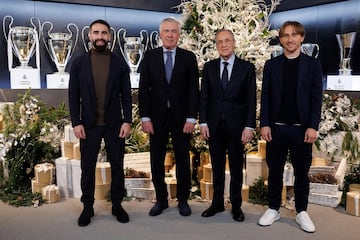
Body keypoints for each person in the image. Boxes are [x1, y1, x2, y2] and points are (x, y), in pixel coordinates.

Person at [258, 21, 323, 233]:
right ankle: (273, 208)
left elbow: (316, 98)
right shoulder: (271, 65)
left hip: (301, 129)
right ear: (281, 40)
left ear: (302, 38)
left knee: (301, 172)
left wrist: (313, 126)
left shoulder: (312, 65)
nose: (290, 39)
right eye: (285, 35)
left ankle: (301, 211)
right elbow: (265, 97)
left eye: (294, 35)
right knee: (274, 171)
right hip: (276, 128)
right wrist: (265, 123)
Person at [68, 19, 132, 226]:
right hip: (88, 125)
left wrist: (127, 121)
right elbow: (73, 94)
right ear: (89, 36)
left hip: (114, 125)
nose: (100, 37)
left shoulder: (119, 63)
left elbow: (126, 95)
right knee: (87, 167)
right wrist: (76, 122)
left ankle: (117, 204)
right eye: (96, 33)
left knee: (117, 166)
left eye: (104, 33)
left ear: (110, 36)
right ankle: (88, 207)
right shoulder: (78, 63)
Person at [138, 17, 199, 217]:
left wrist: (191, 118)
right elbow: (144, 90)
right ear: (160, 34)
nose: (171, 34)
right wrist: (145, 117)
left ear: (179, 34)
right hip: (156, 119)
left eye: (174, 31)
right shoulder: (149, 56)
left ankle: (183, 200)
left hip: (182, 120)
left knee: (183, 160)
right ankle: (161, 200)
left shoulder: (189, 57)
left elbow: (193, 90)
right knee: (156, 161)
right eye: (167, 31)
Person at [199, 29, 256, 222]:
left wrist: (249, 126)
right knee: (216, 167)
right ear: (216, 45)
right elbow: (204, 97)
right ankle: (217, 203)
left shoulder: (246, 68)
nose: (223, 44)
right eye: (219, 42)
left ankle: (237, 205)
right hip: (214, 126)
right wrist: (203, 122)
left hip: (237, 127)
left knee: (236, 167)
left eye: (227, 41)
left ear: (234, 43)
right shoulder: (209, 67)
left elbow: (250, 100)